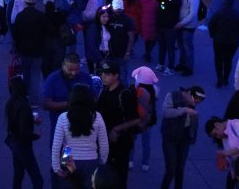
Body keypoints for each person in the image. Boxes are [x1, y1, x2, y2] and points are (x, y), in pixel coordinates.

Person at [52, 84, 108, 189]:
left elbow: (56, 146)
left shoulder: (63, 118)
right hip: (91, 159)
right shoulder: (97, 117)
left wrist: (56, 167)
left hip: (68, 157)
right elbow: (104, 145)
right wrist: (102, 162)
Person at [96, 61, 141, 189]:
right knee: (106, 176)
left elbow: (136, 119)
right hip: (105, 142)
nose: (103, 76)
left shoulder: (125, 94)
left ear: (116, 76)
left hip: (121, 143)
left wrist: (116, 129)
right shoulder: (104, 90)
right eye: (102, 73)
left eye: (107, 74)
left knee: (119, 177)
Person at [40, 53, 93, 142]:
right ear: (63, 65)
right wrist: (68, 104)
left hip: (82, 127)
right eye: (70, 70)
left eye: (77, 69)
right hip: (60, 128)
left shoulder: (85, 78)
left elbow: (93, 98)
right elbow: (46, 104)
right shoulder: (52, 79)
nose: (73, 73)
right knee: (60, 153)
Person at [159, 86, 204, 189]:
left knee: (180, 169)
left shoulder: (192, 105)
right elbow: (166, 112)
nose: (195, 103)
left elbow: (193, 124)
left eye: (198, 102)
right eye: (194, 100)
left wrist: (193, 136)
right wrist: (184, 110)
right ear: (188, 93)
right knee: (171, 168)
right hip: (170, 137)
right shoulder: (173, 96)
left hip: (184, 138)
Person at [5, 75, 43, 189]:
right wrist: (35, 135)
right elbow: (23, 130)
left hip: (14, 142)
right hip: (23, 145)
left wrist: (30, 119)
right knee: (37, 179)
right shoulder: (24, 104)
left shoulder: (11, 103)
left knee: (18, 175)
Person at [14, 0, 52, 97]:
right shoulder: (41, 16)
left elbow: (16, 34)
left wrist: (16, 47)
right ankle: (34, 99)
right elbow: (48, 31)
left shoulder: (20, 16)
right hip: (38, 49)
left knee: (25, 73)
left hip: (24, 49)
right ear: (35, 3)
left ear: (25, 3)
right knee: (35, 74)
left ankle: (25, 95)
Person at [208, 0, 239, 89]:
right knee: (228, 59)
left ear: (224, 3)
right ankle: (226, 78)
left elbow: (211, 25)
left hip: (219, 40)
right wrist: (238, 36)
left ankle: (219, 78)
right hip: (232, 41)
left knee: (218, 59)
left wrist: (213, 35)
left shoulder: (218, 13)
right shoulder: (238, 15)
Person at [129, 67, 159, 173]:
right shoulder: (154, 90)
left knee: (132, 141)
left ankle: (130, 160)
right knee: (146, 142)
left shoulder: (135, 89)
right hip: (148, 121)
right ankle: (145, 162)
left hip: (136, 120)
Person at [173, 0, 200, 76]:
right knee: (181, 46)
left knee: (187, 47)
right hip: (181, 24)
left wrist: (182, 23)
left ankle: (189, 67)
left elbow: (193, 13)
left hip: (188, 26)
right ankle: (182, 63)